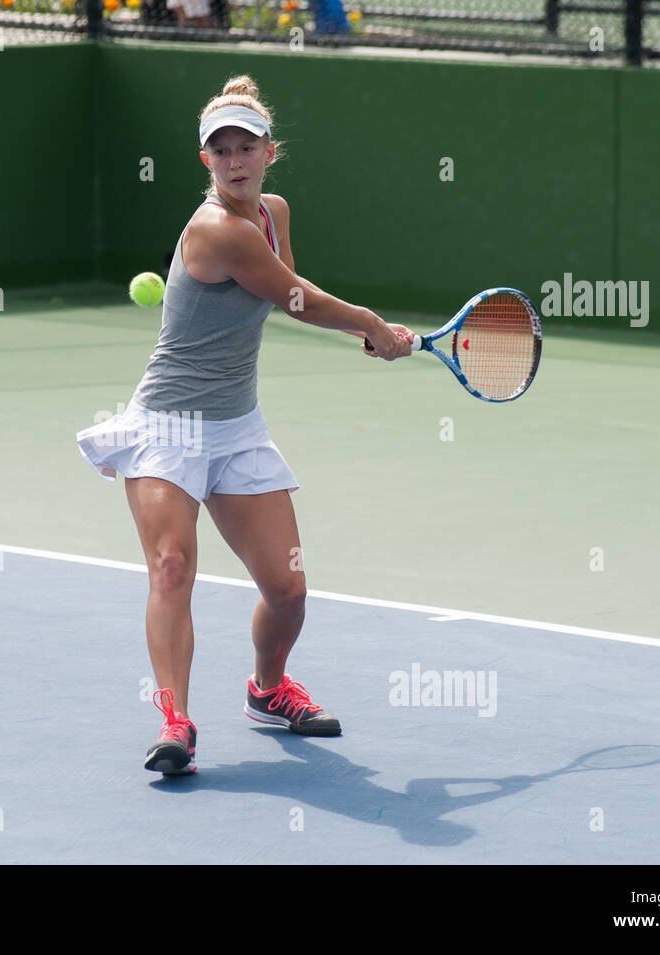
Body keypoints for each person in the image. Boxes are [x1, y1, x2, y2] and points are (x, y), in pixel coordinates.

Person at [75, 75, 413, 776]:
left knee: (287, 589)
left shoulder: (272, 214)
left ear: (268, 152)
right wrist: (374, 325)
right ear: (206, 161)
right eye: (219, 149)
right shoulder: (213, 229)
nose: (234, 159)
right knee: (172, 565)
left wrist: (358, 328)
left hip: (236, 429)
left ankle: (267, 688)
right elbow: (297, 296)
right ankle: (176, 723)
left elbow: (290, 296)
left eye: (245, 146)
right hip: (167, 428)